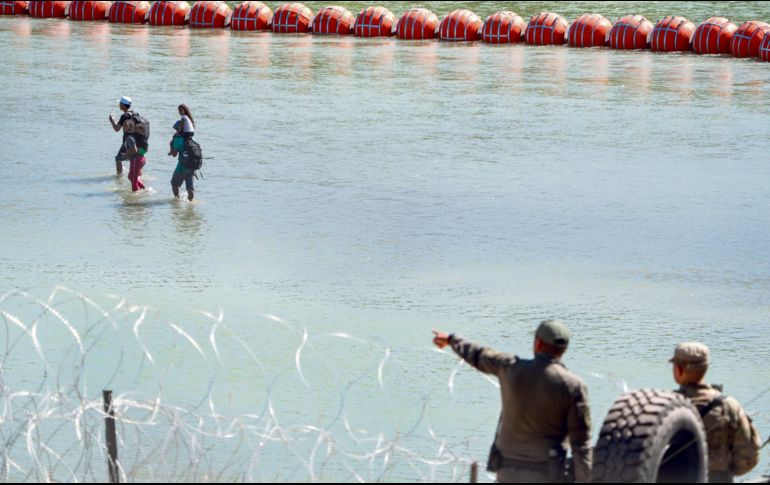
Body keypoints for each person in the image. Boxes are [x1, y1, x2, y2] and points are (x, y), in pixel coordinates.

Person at [432, 320, 592, 483]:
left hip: (507, 474)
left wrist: (452, 339)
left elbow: (479, 354)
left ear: (537, 343)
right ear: (564, 350)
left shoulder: (510, 368)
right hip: (546, 475)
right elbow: (581, 445)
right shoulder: (573, 387)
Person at [670, 342, 761, 483]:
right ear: (705, 367)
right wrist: (725, 472)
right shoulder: (729, 406)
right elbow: (748, 455)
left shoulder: (666, 405)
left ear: (679, 370)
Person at [169, 104, 196, 201]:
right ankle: (191, 204)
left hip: (182, 166)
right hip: (192, 165)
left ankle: (176, 201)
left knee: (174, 183)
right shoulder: (191, 138)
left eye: (176, 129)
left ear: (179, 129)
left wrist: (171, 145)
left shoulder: (178, 139)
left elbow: (174, 154)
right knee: (190, 187)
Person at [108, 96, 134, 175]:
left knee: (118, 159)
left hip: (127, 142)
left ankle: (119, 178)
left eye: (120, 103)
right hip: (136, 141)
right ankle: (137, 175)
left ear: (123, 105)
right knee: (133, 159)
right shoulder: (134, 114)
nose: (119, 104)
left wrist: (112, 120)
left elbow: (117, 129)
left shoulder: (124, 116)